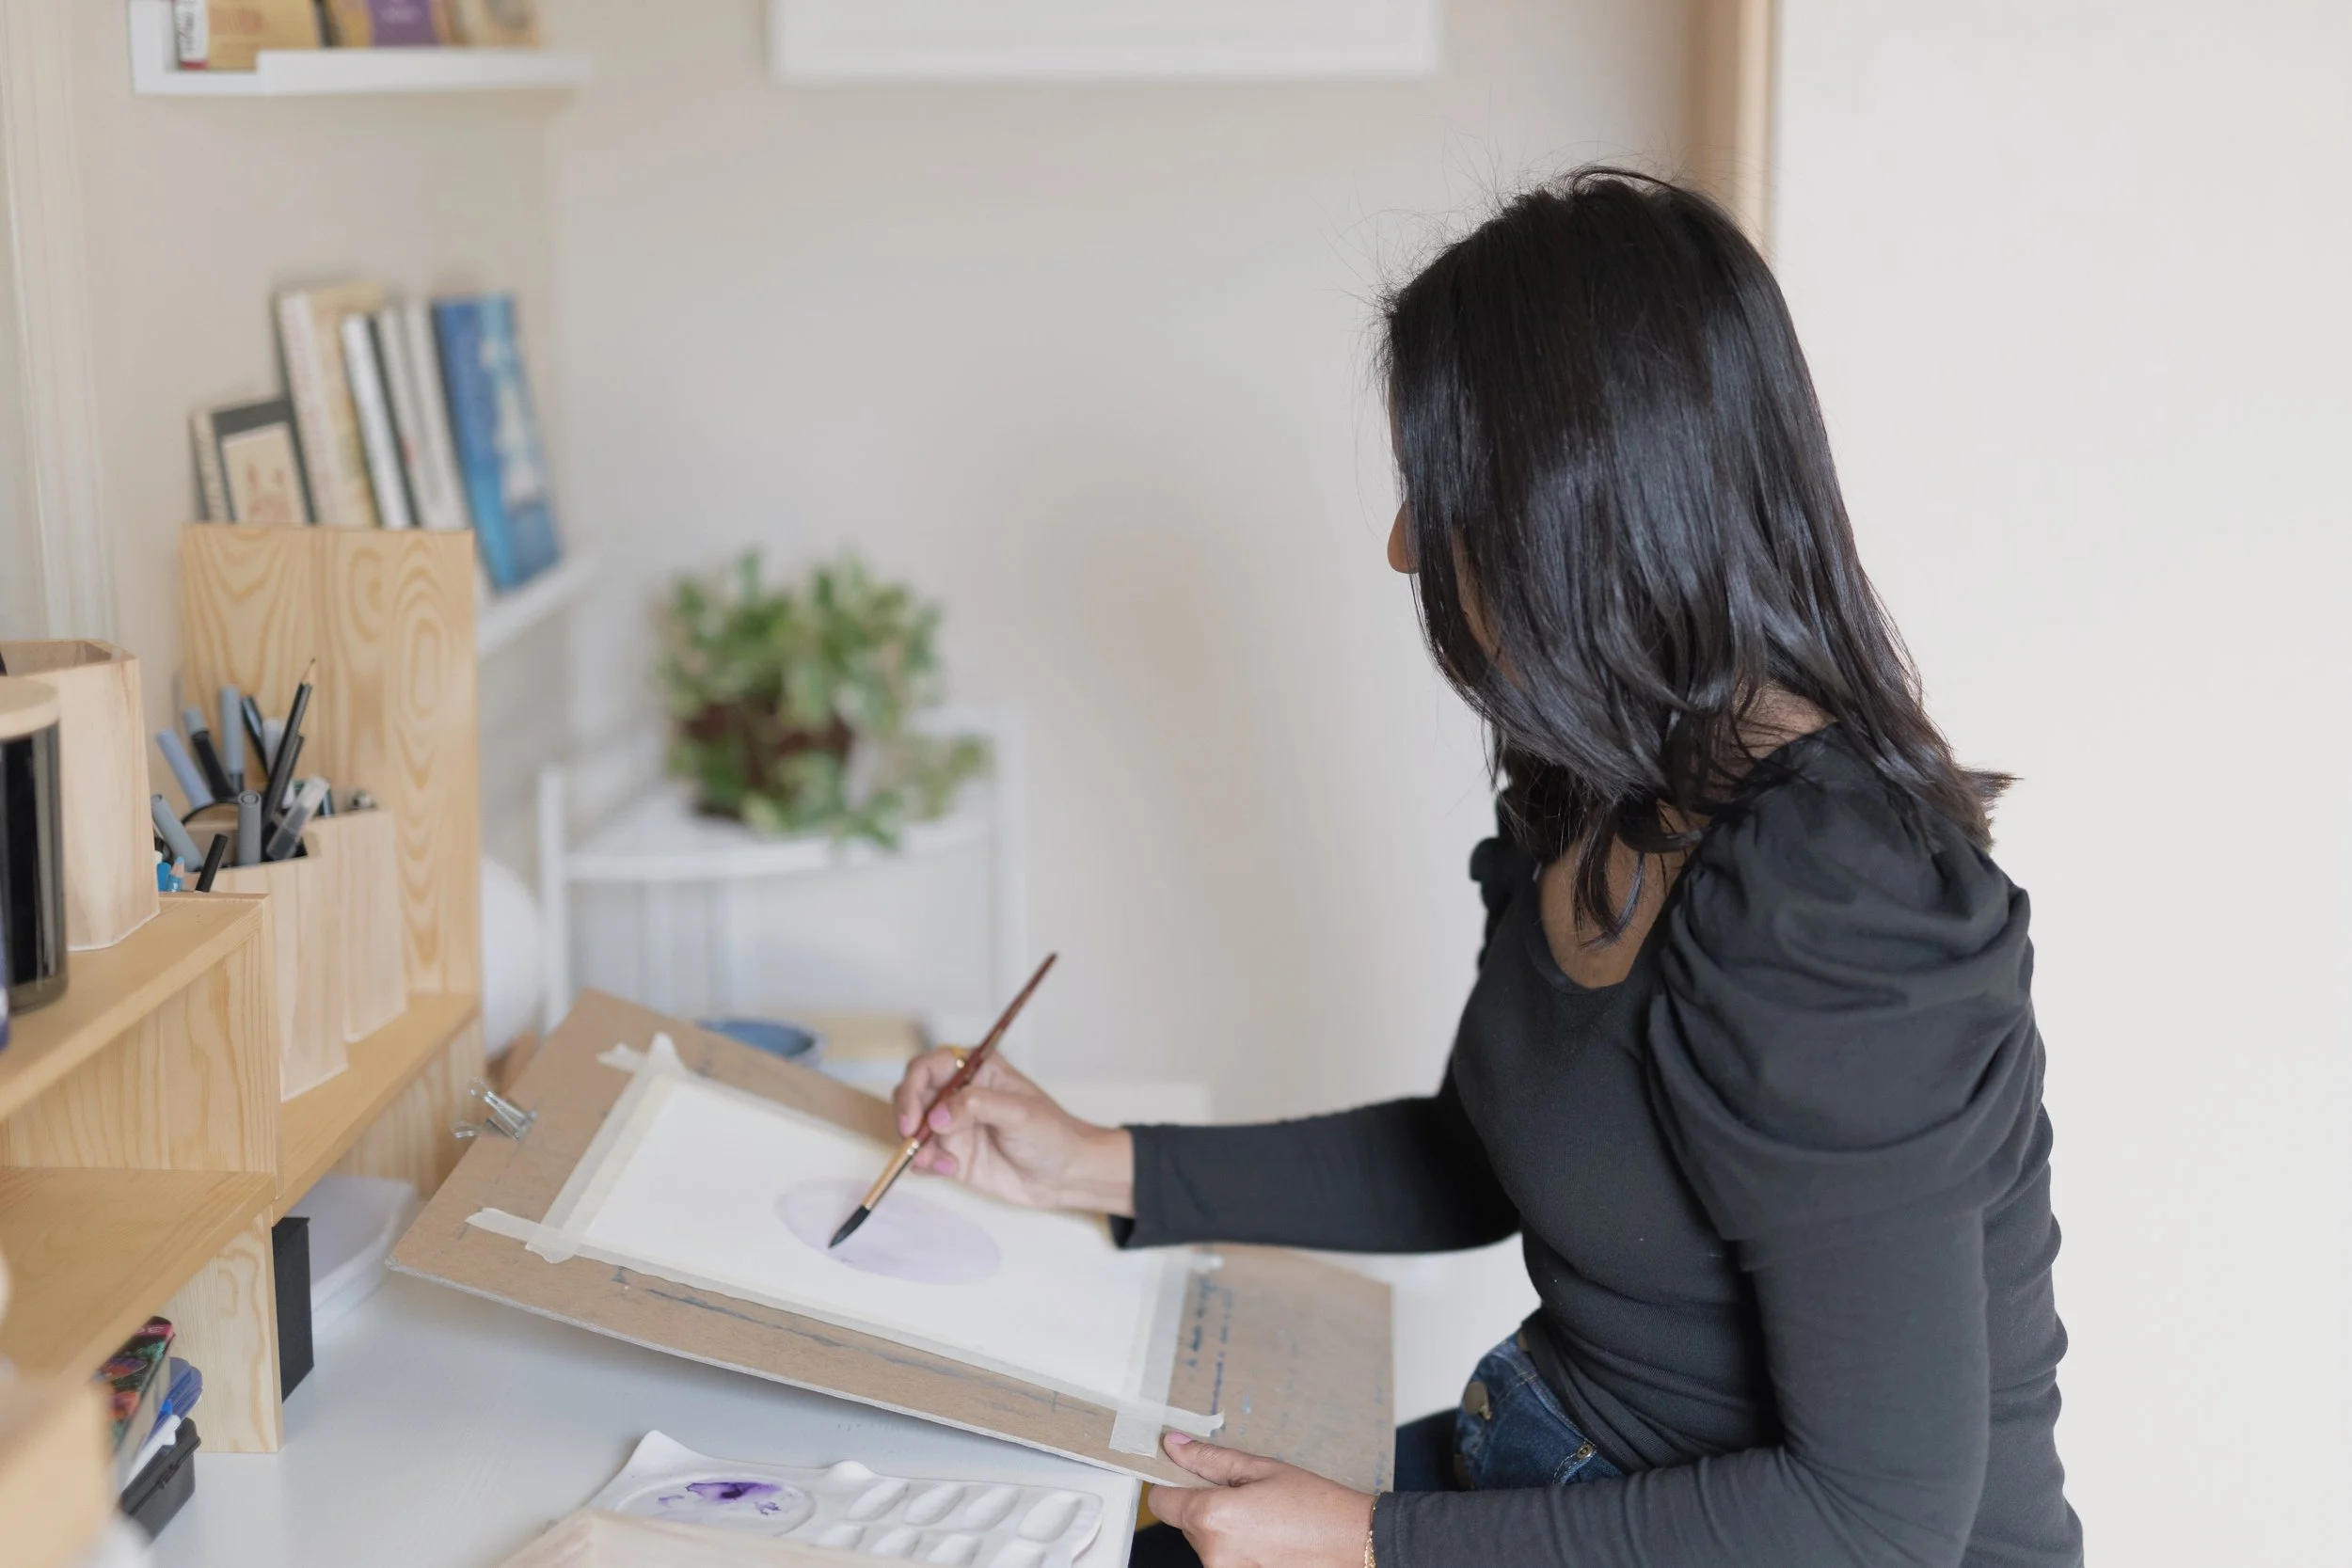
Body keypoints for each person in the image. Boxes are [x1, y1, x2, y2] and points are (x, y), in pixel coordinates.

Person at [890, 168, 2082, 1568]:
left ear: (1575, 512)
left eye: (1436, 494)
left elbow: (1876, 1523)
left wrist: (1368, 1540)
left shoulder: (1836, 908)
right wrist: (1091, 1166)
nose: (1404, 547)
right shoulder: (1602, 784)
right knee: (1078, 1524)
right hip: (1557, 1462)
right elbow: (1482, 1154)